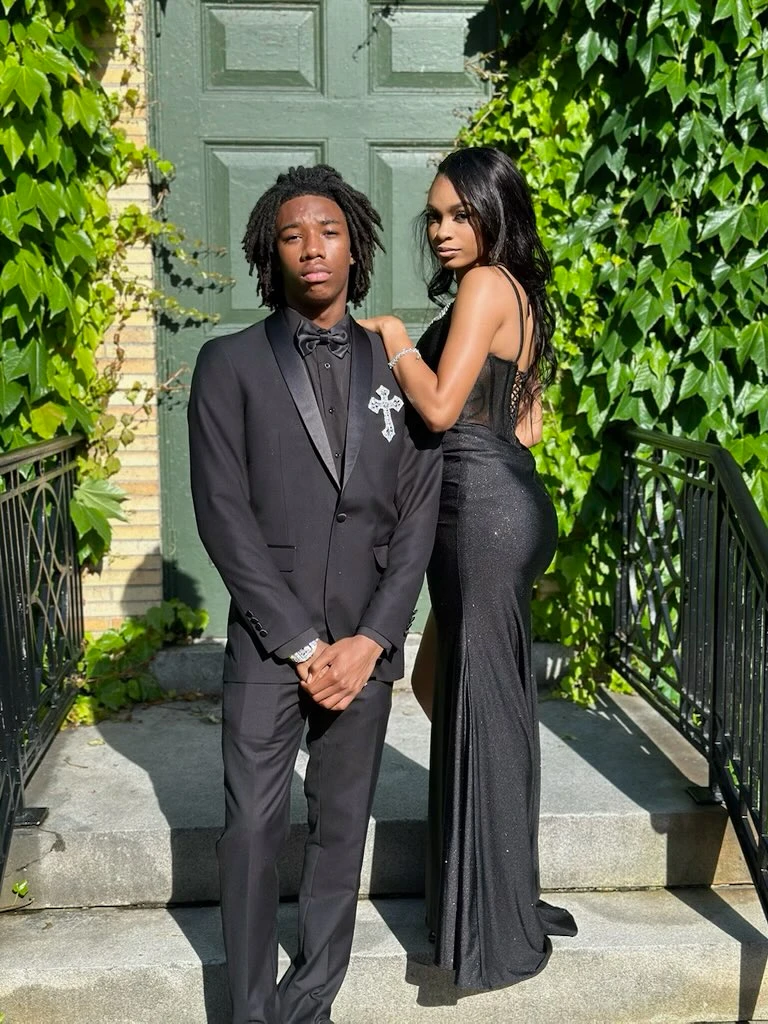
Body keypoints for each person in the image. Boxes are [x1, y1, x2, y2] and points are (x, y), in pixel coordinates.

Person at [187, 164, 442, 1024]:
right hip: (270, 644)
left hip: (366, 641)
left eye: (328, 230)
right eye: (293, 234)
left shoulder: (396, 364)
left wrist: (374, 639)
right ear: (271, 249)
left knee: (341, 831)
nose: (312, 248)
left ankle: (314, 997)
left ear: (355, 243)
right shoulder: (226, 364)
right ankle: (251, 1009)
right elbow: (223, 517)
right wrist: (301, 644)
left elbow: (418, 515)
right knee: (252, 832)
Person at [360, 146, 577, 991]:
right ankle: (494, 887)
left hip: (480, 513)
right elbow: (527, 423)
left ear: (493, 213)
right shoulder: (515, 294)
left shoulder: (487, 286)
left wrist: (392, 340)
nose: (443, 231)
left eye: (459, 214)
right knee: (445, 685)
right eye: (435, 216)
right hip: (499, 501)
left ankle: (495, 931)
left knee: (476, 700)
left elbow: (444, 405)